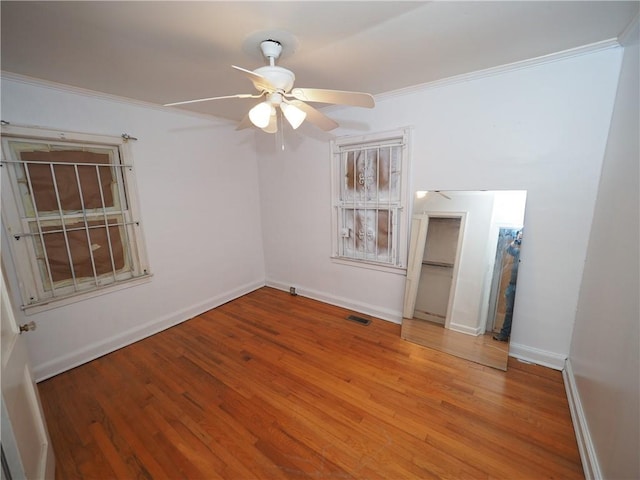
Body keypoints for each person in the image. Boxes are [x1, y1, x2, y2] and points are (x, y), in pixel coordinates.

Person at [493, 230, 522, 342]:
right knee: (509, 311)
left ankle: (518, 340)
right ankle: (504, 335)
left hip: (523, 289)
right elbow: (508, 249)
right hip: (512, 286)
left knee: (521, 313)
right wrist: (516, 240)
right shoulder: (518, 251)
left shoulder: (528, 254)